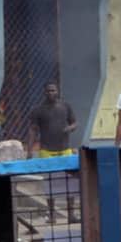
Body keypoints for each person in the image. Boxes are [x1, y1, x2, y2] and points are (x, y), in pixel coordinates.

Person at [28, 82, 78, 221]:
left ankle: (71, 214)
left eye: (53, 90)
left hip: (65, 148)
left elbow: (74, 122)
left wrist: (70, 128)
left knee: (70, 181)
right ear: (44, 92)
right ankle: (51, 214)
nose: (51, 93)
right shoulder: (38, 110)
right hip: (46, 150)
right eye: (48, 91)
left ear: (58, 91)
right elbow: (33, 130)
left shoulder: (65, 106)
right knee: (50, 183)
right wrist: (30, 150)